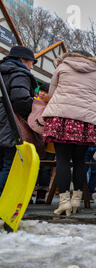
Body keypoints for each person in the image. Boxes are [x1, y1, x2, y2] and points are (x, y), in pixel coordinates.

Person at [42, 50, 96, 217]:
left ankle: (64, 202)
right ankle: (76, 201)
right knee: (80, 160)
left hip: (61, 117)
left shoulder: (62, 67)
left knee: (62, 160)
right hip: (86, 121)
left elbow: (51, 94)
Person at [0, 46, 38, 196]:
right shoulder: (19, 73)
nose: (32, 66)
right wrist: (33, 112)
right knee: (10, 164)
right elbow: (21, 99)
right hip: (9, 122)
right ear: (22, 60)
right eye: (31, 62)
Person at [28, 83, 56, 204]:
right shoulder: (33, 103)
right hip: (34, 139)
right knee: (31, 167)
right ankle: (27, 193)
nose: (42, 94)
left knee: (45, 168)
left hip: (49, 143)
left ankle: (41, 194)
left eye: (46, 92)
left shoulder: (54, 106)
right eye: (41, 91)